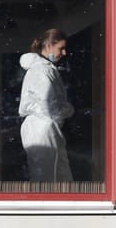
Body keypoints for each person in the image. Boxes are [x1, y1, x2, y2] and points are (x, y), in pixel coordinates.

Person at [18, 28, 74, 181]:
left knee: (50, 176)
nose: (64, 53)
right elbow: (49, 107)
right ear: (49, 45)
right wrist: (69, 110)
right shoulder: (41, 70)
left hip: (43, 127)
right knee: (50, 178)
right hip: (42, 128)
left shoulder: (44, 69)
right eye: (60, 48)